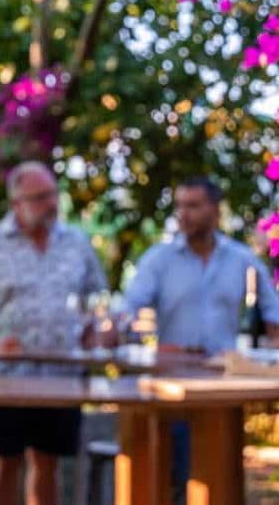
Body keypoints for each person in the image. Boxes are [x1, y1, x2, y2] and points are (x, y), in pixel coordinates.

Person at [0, 161, 107, 505]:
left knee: (48, 463)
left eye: (52, 194)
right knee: (6, 461)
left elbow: (97, 298)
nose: (50, 204)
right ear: (16, 203)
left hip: (62, 375)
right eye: (39, 197)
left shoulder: (76, 243)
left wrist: (95, 330)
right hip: (9, 378)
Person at [124, 176, 279, 504]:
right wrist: (125, 329)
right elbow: (127, 309)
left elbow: (273, 314)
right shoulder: (158, 260)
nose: (184, 214)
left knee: (223, 476)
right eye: (180, 206)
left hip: (223, 388)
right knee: (176, 473)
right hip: (173, 384)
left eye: (193, 205)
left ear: (215, 211)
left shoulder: (242, 259)